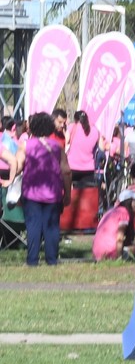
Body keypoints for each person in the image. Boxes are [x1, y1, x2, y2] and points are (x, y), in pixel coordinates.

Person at [17, 112, 65, 266]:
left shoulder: (26, 145)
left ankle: (32, 260)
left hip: (31, 192)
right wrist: (68, 193)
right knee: (52, 227)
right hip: (53, 192)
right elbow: (67, 170)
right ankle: (52, 260)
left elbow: (18, 166)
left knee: (33, 227)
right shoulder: (57, 146)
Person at [92, 187, 135, 261]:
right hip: (110, 253)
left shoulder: (111, 211)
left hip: (97, 253)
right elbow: (119, 238)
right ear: (129, 202)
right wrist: (119, 258)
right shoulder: (124, 213)